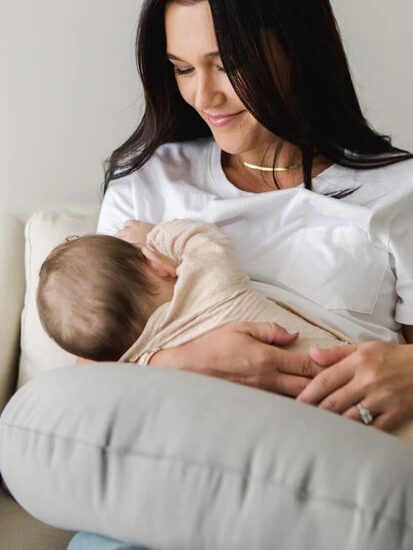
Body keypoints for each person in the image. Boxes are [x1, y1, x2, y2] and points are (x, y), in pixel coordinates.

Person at [68, 0, 413, 547]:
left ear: (296, 50)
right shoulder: (147, 184)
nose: (203, 96)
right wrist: (177, 365)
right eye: (182, 68)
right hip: (171, 481)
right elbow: (82, 388)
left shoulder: (399, 192)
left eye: (227, 64)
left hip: (327, 488)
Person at [37, 219, 348, 363]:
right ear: (154, 263)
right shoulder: (208, 279)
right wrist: (153, 236)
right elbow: (202, 236)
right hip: (346, 369)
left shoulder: (140, 362)